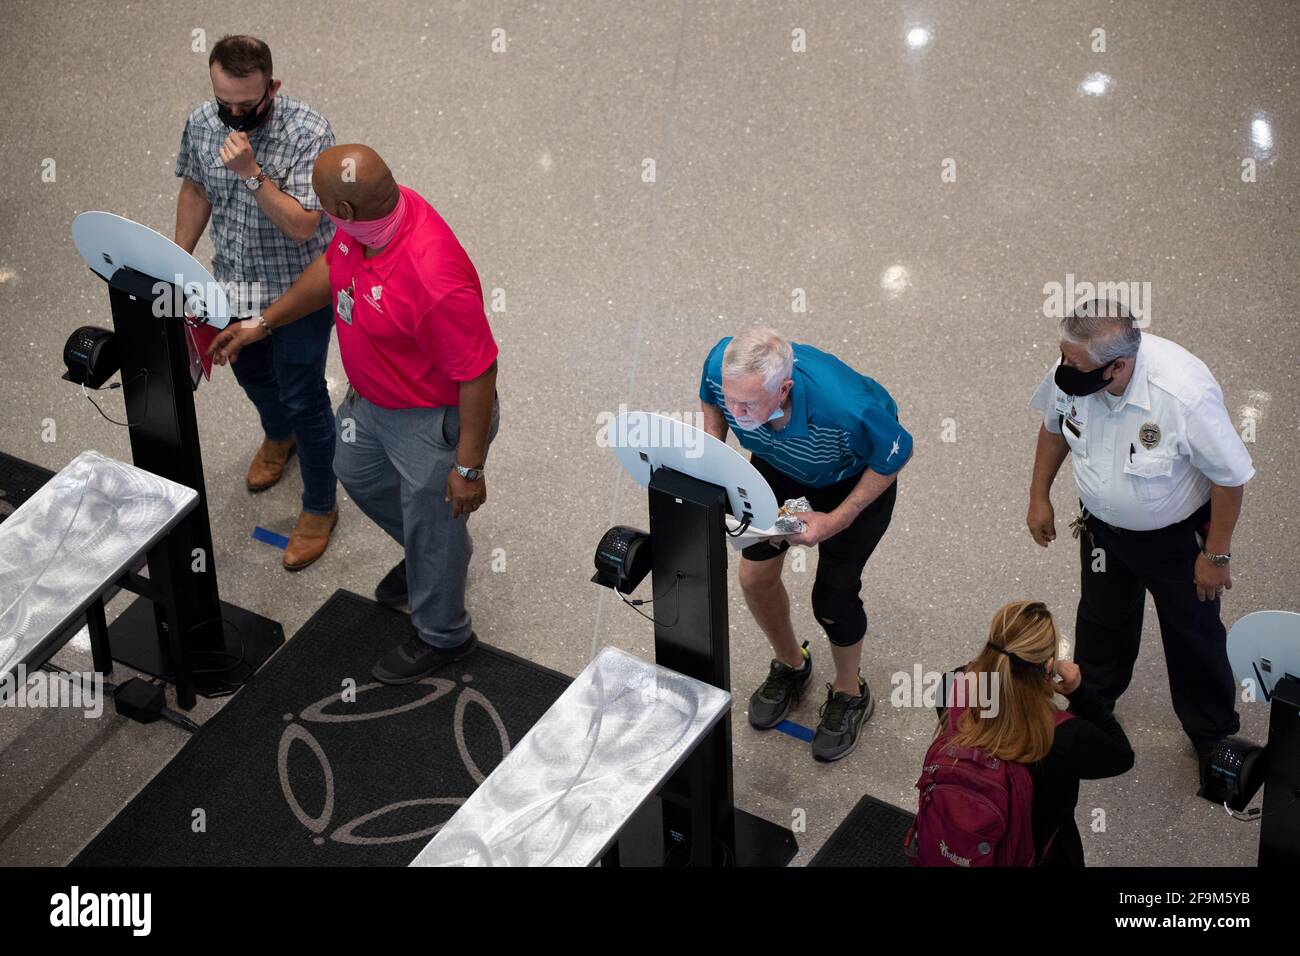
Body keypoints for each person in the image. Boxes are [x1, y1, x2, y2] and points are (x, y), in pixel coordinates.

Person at [208, 145, 500, 683]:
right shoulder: (368, 223)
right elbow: (332, 268)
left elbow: (478, 373)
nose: (310, 208)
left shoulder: (433, 277)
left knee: (434, 520)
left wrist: (467, 468)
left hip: (429, 420)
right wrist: (263, 324)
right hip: (370, 401)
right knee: (356, 471)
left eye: (317, 202)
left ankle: (445, 635)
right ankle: (433, 553)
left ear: (340, 210)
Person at [1027, 300, 1254, 780]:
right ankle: (1093, 701)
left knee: (1192, 633)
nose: (1063, 370)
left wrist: (1216, 553)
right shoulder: (1077, 366)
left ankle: (1213, 737)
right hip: (1102, 529)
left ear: (1119, 365)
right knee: (1101, 620)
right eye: (1063, 358)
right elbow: (1055, 429)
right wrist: (1039, 496)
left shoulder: (1182, 394)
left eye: (1075, 364)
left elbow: (1230, 479)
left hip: (1176, 541)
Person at [698, 329, 912, 761]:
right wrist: (713, 459)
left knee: (833, 597)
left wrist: (835, 520)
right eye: (732, 400)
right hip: (778, 469)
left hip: (849, 484)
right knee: (754, 575)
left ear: (785, 389)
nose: (737, 414)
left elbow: (896, 451)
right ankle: (793, 665)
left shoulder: (846, 406)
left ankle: (851, 692)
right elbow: (711, 397)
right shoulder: (723, 363)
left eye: (749, 404)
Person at [174, 34, 339, 570]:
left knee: (304, 393)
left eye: (248, 105)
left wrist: (251, 173)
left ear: (273, 87)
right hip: (235, 282)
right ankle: (277, 434)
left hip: (296, 291)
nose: (234, 115)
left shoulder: (308, 132)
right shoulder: (204, 121)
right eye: (226, 103)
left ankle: (319, 505)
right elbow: (196, 187)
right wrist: (175, 261)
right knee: (249, 372)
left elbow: (302, 226)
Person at [919, 601, 1133, 867]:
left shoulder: (951, 685)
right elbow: (1122, 756)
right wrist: (1080, 693)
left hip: (954, 835)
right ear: (1048, 666)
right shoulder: (1065, 737)